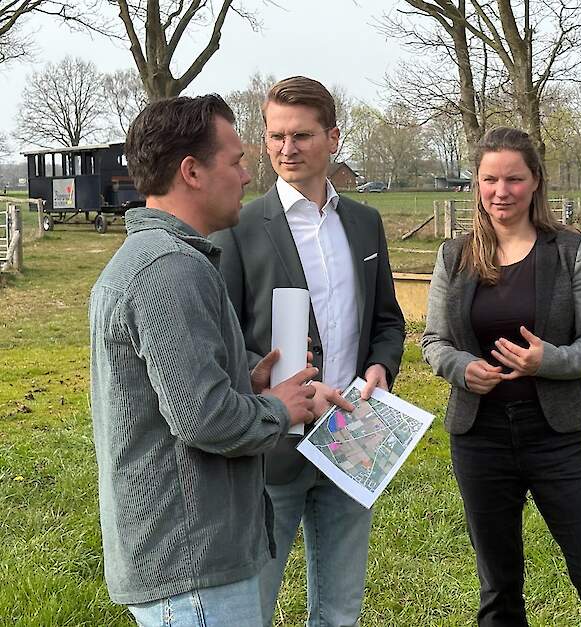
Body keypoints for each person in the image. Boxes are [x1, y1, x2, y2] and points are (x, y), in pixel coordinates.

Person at [90, 95, 347, 626]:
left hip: (192, 563)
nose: (248, 175)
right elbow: (204, 419)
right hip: (191, 569)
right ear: (192, 172)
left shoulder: (164, 259)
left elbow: (181, 392)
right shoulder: (167, 269)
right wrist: (279, 408)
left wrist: (246, 384)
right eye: (235, 162)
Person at [421, 127, 581, 627]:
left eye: (514, 179)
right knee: (498, 587)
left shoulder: (570, 251)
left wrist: (548, 361)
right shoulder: (453, 257)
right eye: (490, 179)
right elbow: (433, 342)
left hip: (555, 434)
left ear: (535, 181)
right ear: (475, 184)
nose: (502, 191)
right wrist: (461, 368)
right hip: (480, 438)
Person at [211, 76, 405, 627]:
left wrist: (380, 367)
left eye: (300, 135)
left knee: (341, 612)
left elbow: (388, 320)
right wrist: (275, 387)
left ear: (334, 138)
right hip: (273, 444)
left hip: (352, 436)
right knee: (254, 610)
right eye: (274, 137)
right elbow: (222, 341)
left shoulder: (365, 224)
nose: (285, 150)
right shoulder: (240, 228)